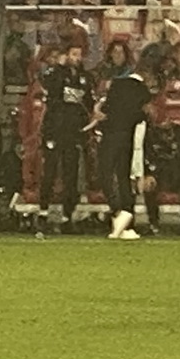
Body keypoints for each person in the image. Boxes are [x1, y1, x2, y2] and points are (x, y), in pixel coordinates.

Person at [38, 45, 94, 232]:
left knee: (71, 173)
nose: (76, 58)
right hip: (55, 129)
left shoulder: (85, 78)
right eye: (73, 54)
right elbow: (49, 87)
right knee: (50, 170)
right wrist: (60, 69)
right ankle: (43, 210)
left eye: (79, 55)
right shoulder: (56, 75)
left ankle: (67, 213)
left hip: (74, 131)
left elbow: (88, 103)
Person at [96, 64, 154, 240]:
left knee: (105, 172)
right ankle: (128, 221)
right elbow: (142, 114)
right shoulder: (143, 92)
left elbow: (106, 109)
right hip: (128, 137)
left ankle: (117, 210)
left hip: (111, 133)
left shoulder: (116, 85)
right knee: (123, 176)